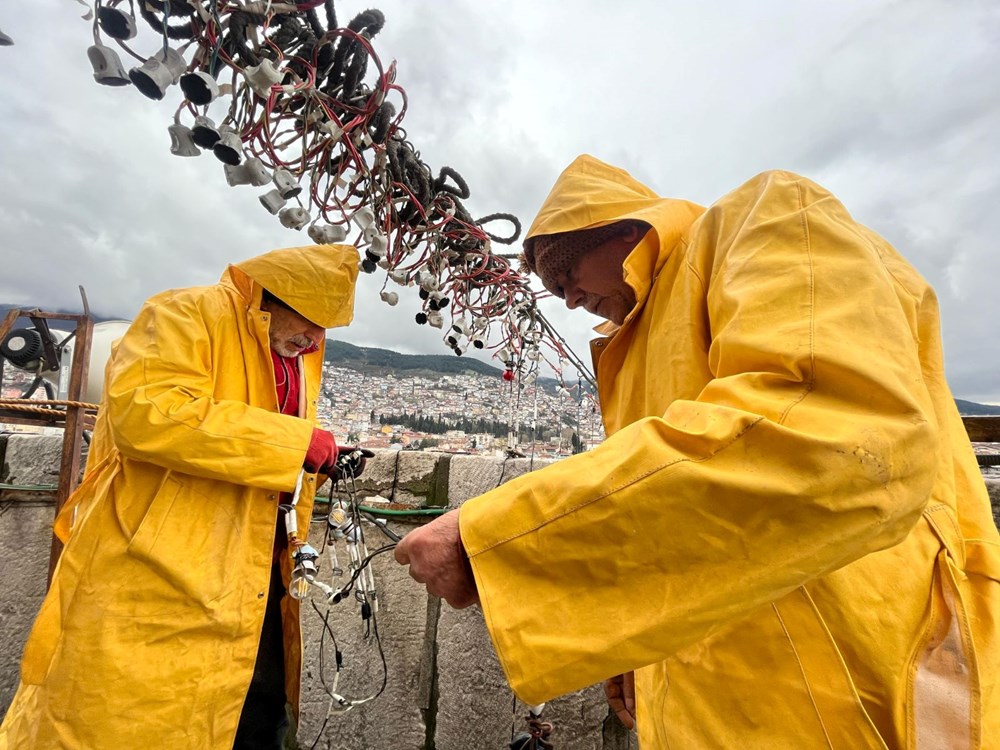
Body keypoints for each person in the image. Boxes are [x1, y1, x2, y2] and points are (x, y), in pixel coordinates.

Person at [395, 155, 1000, 748]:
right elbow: (678, 501)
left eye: (568, 272)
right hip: (718, 694)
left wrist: (496, 541)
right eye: (556, 291)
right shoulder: (636, 342)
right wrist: (631, 635)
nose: (570, 299)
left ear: (624, 229)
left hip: (854, 671)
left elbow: (832, 433)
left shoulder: (768, 215)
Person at [0, 243, 366, 750]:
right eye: (311, 320)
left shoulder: (294, 356)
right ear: (271, 296)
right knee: (125, 719)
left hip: (258, 575)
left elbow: (255, 445)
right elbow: (147, 412)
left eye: (326, 328)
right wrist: (295, 443)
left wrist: (315, 458)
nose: (316, 339)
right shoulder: (183, 312)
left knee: (255, 717)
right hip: (158, 571)